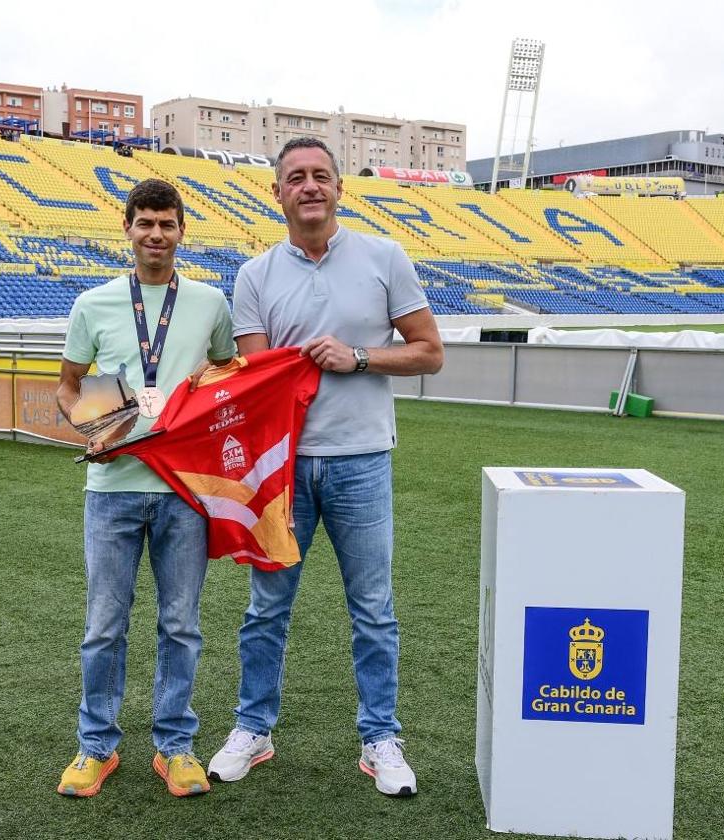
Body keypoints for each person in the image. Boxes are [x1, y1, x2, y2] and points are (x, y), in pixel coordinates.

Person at [206, 137, 444, 796]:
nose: (309, 186)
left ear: (339, 188)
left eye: (320, 176)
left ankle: (381, 739)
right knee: (265, 609)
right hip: (283, 472)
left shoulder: (384, 258)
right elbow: (254, 380)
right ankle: (253, 730)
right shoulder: (255, 276)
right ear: (277, 192)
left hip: (361, 460)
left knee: (373, 609)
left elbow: (429, 352)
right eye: (296, 178)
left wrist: (360, 357)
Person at [55, 178, 236, 798]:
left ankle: (175, 746)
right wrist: (88, 426)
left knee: (181, 622)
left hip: (184, 487)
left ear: (182, 231)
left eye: (167, 224)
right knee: (104, 624)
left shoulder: (211, 303)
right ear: (127, 229)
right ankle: (95, 747)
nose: (156, 235)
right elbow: (68, 385)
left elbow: (226, 373)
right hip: (112, 487)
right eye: (145, 223)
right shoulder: (94, 304)